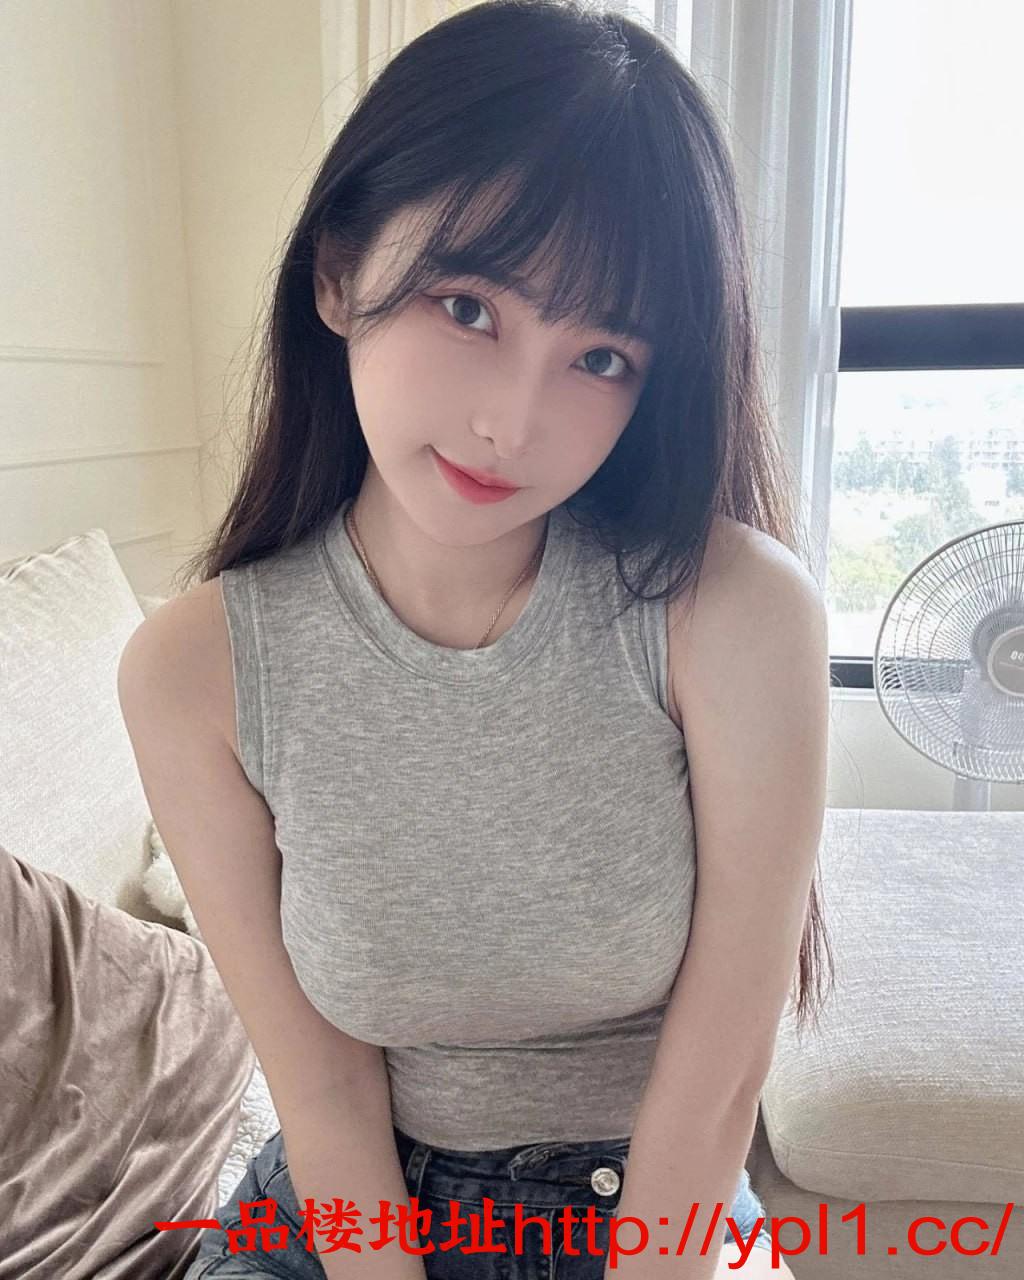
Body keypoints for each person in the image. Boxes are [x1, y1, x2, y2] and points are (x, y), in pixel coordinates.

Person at [118, 3, 833, 1277]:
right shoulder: (195, 672)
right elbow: (322, 1089)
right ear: (337, 273)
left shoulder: (730, 612)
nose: (514, 421)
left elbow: (721, 1076)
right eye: (467, 305)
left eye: (600, 356)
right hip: (341, 1223)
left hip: (649, 1214)